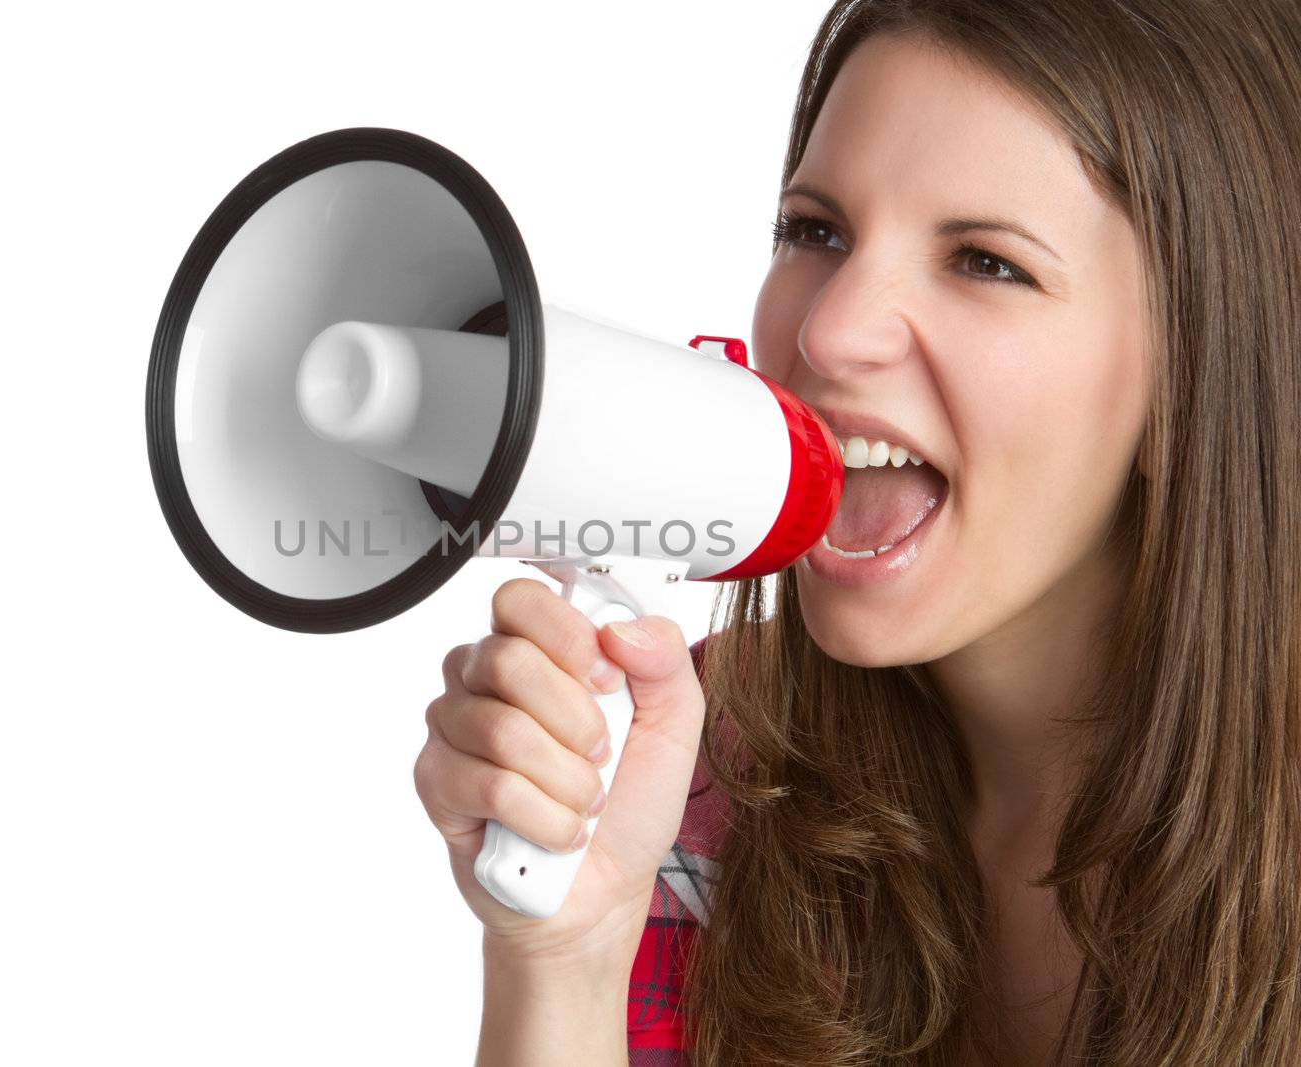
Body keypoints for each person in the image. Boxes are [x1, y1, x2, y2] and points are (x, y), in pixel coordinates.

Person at [412, 0, 1301, 1063]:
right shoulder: (690, 772)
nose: (827, 330)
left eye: (984, 261)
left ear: (1196, 377)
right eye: (814, 231)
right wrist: (563, 957)